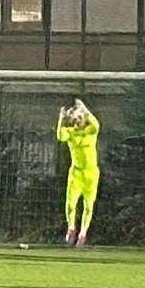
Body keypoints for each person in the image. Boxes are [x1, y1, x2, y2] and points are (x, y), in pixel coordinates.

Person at [56, 98, 101, 247]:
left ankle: (83, 233)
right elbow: (60, 136)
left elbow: (96, 125)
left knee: (88, 205)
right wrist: (61, 118)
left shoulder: (90, 132)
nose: (77, 120)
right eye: (75, 118)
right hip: (76, 172)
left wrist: (85, 109)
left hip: (91, 173)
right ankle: (71, 228)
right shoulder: (70, 133)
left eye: (80, 118)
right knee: (71, 203)